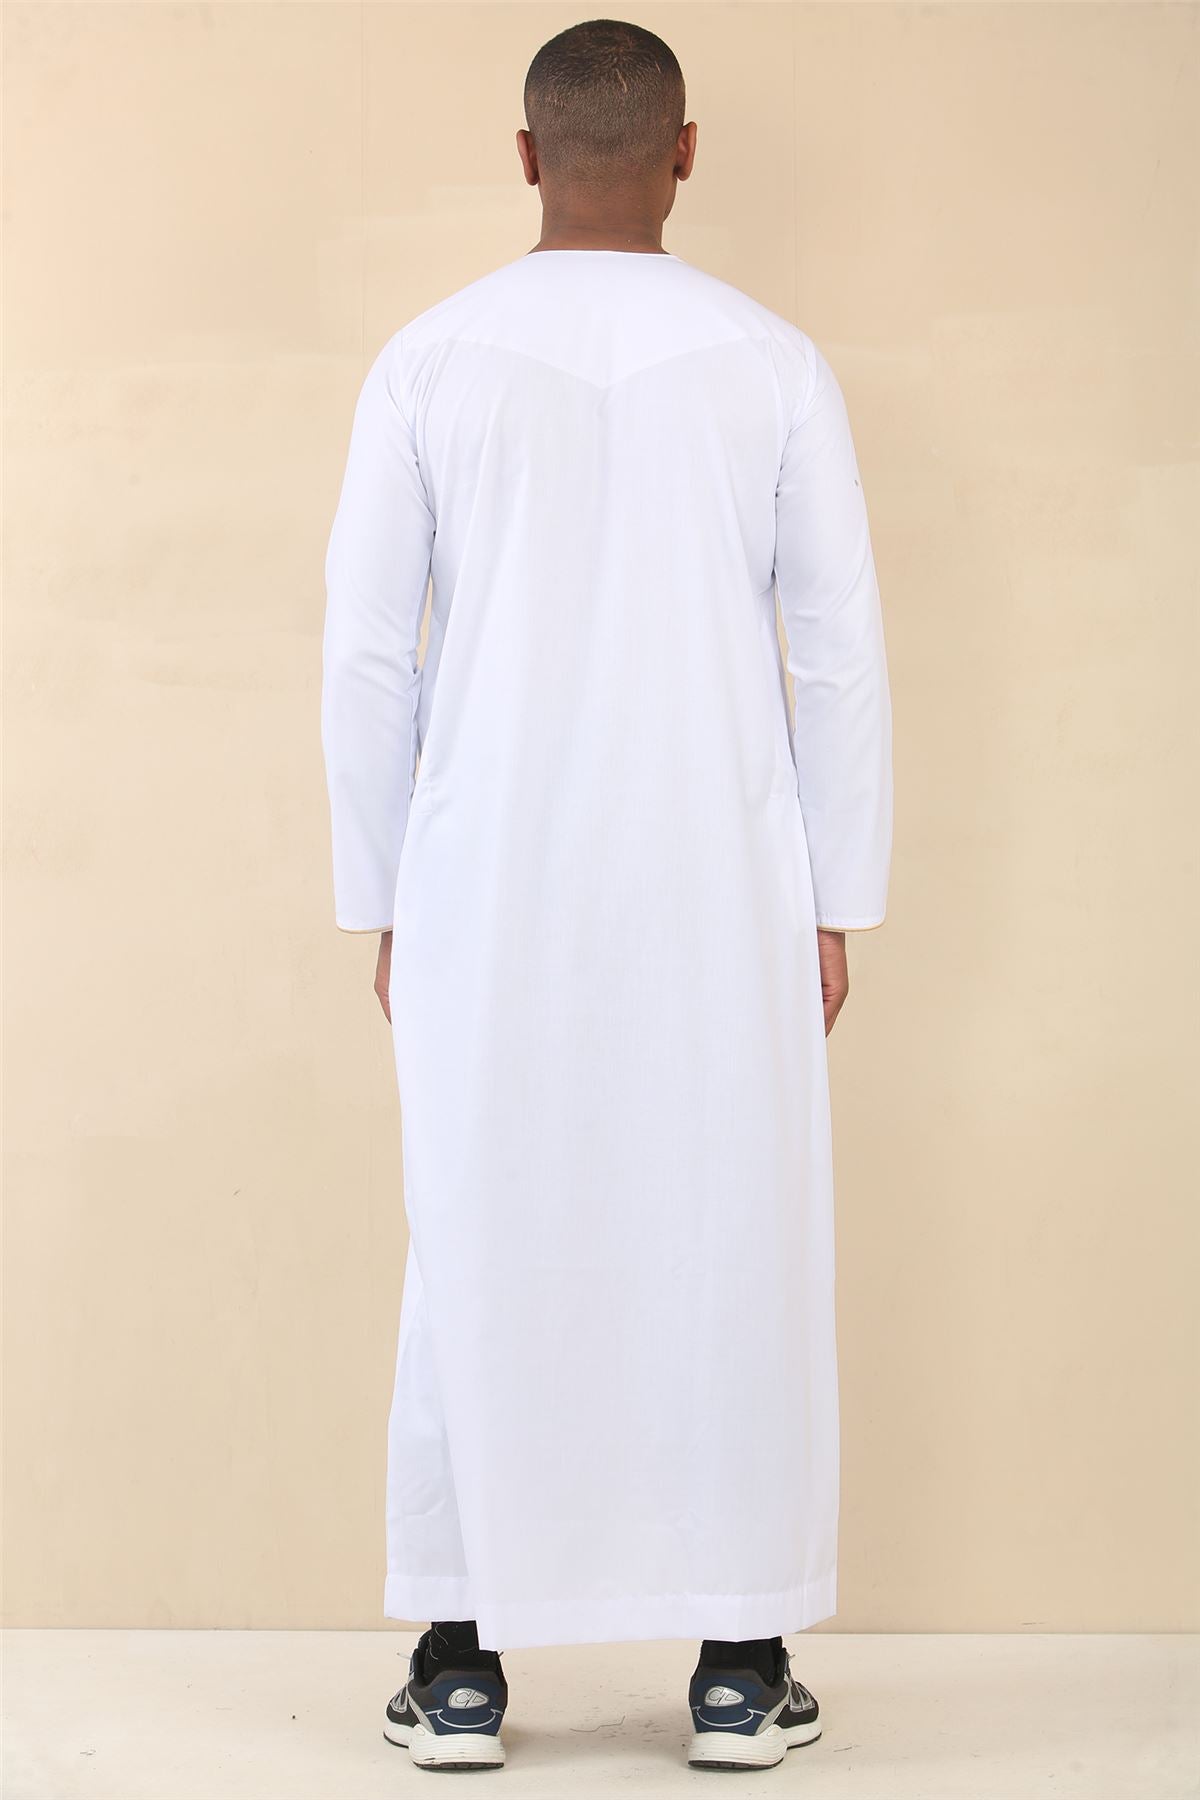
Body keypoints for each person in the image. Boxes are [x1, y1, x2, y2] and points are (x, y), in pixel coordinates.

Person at [320, 16, 892, 1775]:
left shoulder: (429, 360)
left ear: (527, 157)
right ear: (685, 153)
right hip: (722, 870)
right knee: (736, 1236)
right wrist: (838, 895)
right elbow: (837, 651)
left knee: (476, 1228)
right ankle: (738, 1666)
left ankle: (461, 1664)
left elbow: (366, 652)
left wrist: (383, 893)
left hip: (486, 870)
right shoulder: (773, 363)